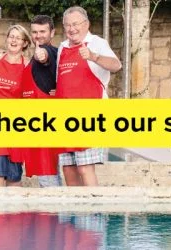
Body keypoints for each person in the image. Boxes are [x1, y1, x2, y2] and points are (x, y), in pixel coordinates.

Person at [56, 6, 122, 186]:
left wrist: (94, 57)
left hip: (88, 117)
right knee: (68, 169)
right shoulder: (62, 48)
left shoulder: (97, 43)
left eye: (76, 24)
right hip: (64, 118)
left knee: (85, 167)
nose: (72, 29)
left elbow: (116, 65)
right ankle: (74, 213)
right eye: (67, 25)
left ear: (87, 24)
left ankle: (93, 213)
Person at [0, 24, 37, 187]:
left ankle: (14, 213)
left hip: (14, 125)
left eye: (18, 38)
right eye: (11, 36)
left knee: (14, 177)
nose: (13, 40)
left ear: (25, 43)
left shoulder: (28, 64)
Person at [15, 15, 64, 187]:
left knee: (47, 172)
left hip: (46, 121)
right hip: (33, 122)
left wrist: (41, 56)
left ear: (52, 32)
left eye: (43, 31)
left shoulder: (51, 52)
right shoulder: (31, 60)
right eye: (34, 32)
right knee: (46, 172)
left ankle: (56, 211)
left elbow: (45, 57)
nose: (38, 35)